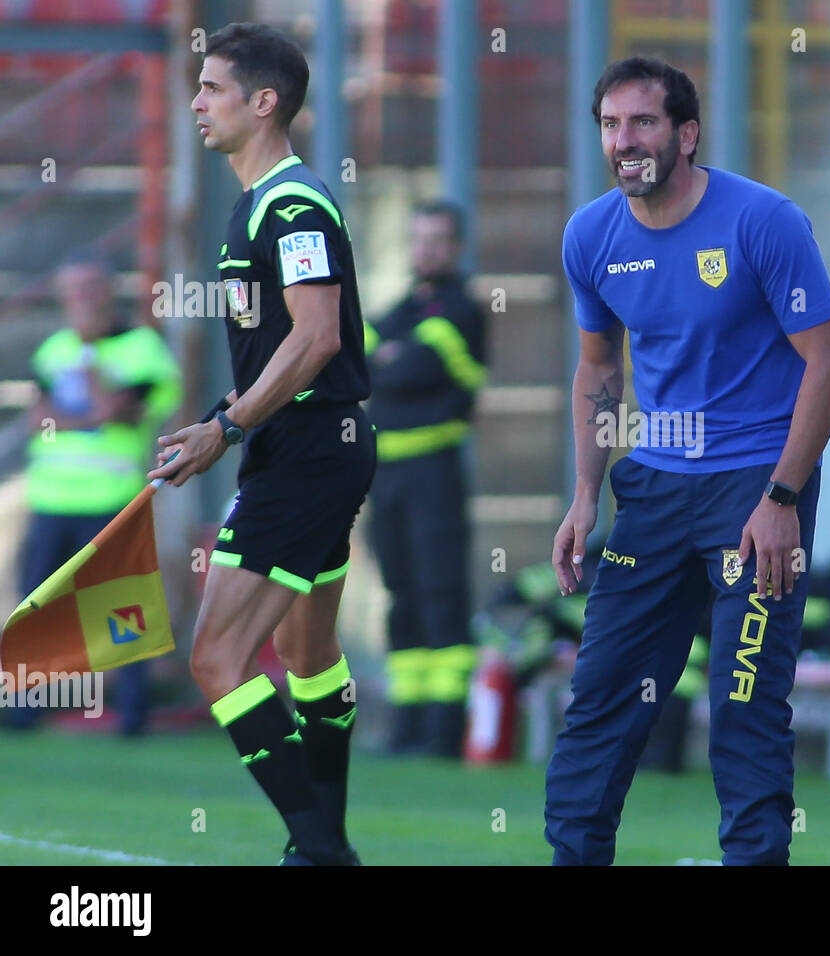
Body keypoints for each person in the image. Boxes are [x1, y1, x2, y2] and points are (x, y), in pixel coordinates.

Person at [545, 56, 830, 865]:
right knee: (600, 700)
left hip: (755, 491)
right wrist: (585, 496)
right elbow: (600, 370)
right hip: (652, 489)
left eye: (642, 122)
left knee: (746, 704)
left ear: (685, 134)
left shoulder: (764, 220)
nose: (624, 141)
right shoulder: (591, 234)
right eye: (610, 125)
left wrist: (783, 498)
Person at [149, 22, 376, 866]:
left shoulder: (292, 203)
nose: (197, 101)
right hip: (309, 445)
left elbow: (317, 339)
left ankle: (321, 851)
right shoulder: (258, 205)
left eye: (212, 87)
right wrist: (222, 415)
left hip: (310, 450)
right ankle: (322, 848)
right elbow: (287, 341)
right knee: (306, 654)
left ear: (264, 101)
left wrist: (228, 426)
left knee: (216, 658)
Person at [6, 248, 180, 734]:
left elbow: (117, 411)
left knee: (121, 608)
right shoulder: (53, 349)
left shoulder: (142, 349)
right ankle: (23, 711)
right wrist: (82, 417)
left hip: (110, 499)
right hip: (51, 499)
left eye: (88, 288)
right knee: (35, 605)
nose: (78, 299)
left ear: (108, 291)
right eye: (71, 289)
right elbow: (38, 421)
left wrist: (89, 380)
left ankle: (132, 715)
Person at [363, 199, 487, 757]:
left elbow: (410, 370)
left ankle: (443, 730)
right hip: (385, 474)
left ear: (456, 247)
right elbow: (357, 363)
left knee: (441, 592)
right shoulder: (400, 310)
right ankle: (407, 723)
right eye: (419, 239)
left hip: (434, 469)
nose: (426, 250)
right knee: (400, 593)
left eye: (437, 240)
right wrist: (387, 358)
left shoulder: (464, 309)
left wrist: (390, 358)